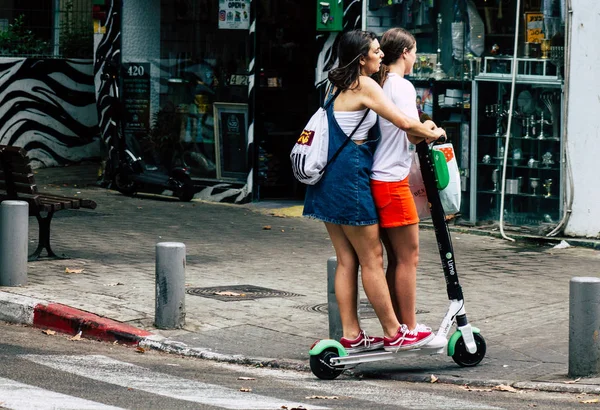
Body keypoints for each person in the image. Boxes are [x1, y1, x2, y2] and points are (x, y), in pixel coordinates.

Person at [303, 30, 445, 353]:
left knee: (346, 259)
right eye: (376, 51)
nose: (382, 56)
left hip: (326, 180)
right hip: (350, 179)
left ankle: (351, 335)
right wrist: (431, 132)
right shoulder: (364, 84)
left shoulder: (336, 84)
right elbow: (403, 123)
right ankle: (395, 331)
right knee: (373, 258)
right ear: (361, 58)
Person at [371, 27, 440, 350]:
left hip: (378, 177)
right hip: (391, 180)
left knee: (397, 257)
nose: (415, 58)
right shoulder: (401, 85)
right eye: (414, 52)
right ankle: (409, 327)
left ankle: (398, 327)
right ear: (405, 53)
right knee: (409, 256)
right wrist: (431, 129)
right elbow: (413, 134)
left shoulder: (381, 83)